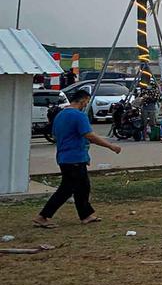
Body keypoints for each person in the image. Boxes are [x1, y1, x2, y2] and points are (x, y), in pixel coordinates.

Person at [34, 88, 122, 228]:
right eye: (86, 102)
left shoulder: (60, 115)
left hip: (65, 156)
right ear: (82, 100)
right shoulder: (79, 116)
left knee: (83, 186)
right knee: (67, 189)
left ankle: (86, 215)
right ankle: (43, 216)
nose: (86, 105)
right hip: (73, 157)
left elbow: (55, 135)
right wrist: (110, 146)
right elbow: (89, 135)